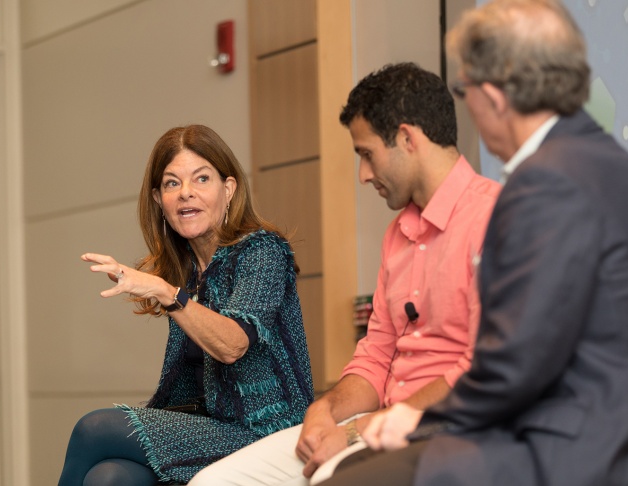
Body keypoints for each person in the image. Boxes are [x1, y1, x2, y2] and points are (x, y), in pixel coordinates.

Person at [319, 1, 628, 485]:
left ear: (494, 94)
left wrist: (413, 417)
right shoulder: (615, 167)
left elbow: (514, 365)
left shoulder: (542, 184)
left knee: (348, 480)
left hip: (575, 446)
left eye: (465, 90)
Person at [188, 63, 501, 486]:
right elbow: (376, 355)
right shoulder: (397, 234)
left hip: (451, 427)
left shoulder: (500, 217)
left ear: (408, 139)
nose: (363, 175)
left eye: (367, 154)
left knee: (329, 477)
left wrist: (360, 429)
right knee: (213, 482)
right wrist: (325, 411)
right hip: (381, 423)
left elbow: (484, 369)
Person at [57, 124, 314, 486]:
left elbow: (233, 344)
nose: (186, 194)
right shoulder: (189, 270)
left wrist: (168, 294)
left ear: (228, 189)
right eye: (172, 183)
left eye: (202, 179)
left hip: (263, 432)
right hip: (209, 428)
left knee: (93, 429)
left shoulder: (262, 252)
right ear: (159, 200)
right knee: (109, 477)